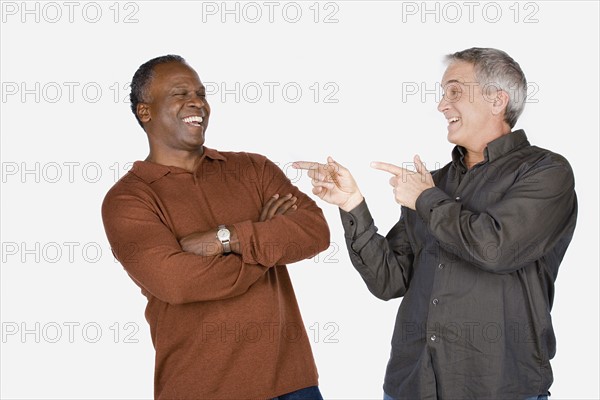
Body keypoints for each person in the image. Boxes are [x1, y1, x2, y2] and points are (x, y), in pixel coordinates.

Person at [294, 47, 577, 400]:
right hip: (412, 385)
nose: (442, 106)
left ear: (497, 100)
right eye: (443, 94)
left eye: (455, 91)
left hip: (499, 387)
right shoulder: (434, 183)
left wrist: (425, 200)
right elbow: (389, 281)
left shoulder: (545, 172)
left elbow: (496, 249)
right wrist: (353, 205)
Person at [101, 55, 330, 400]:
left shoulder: (253, 168)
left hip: (292, 384)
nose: (197, 102)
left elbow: (315, 232)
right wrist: (266, 241)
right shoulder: (128, 199)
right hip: (200, 389)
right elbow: (176, 282)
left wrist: (228, 238)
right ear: (144, 111)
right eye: (180, 94)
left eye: (201, 93)